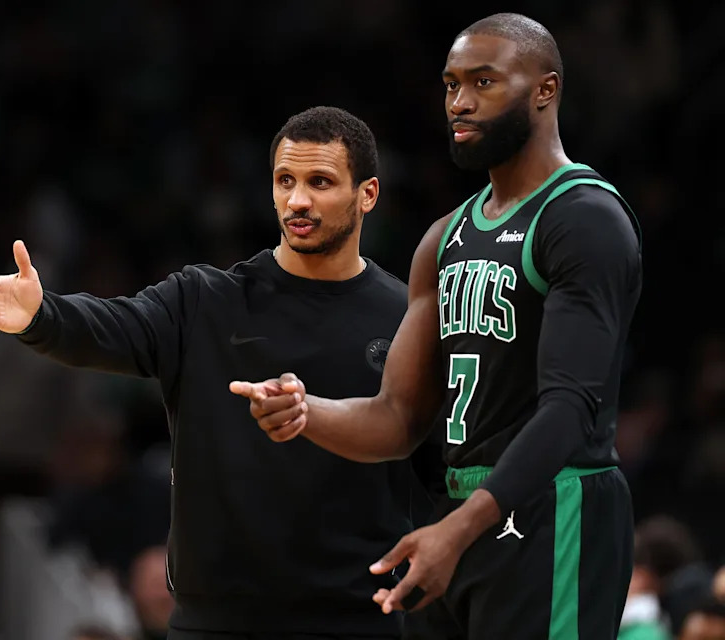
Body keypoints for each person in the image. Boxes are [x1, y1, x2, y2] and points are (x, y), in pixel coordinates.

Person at [232, 13, 643, 639]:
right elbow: (398, 417)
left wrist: (459, 527)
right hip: (459, 509)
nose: (460, 102)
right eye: (451, 84)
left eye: (484, 82)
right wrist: (305, 411)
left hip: (552, 507)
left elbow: (569, 410)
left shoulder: (583, 218)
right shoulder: (446, 237)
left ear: (545, 90)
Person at [0, 107, 446, 637]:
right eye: (285, 181)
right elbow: (112, 326)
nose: (297, 200)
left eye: (320, 182)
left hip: (361, 621)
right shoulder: (205, 300)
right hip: (216, 623)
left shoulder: (407, 316)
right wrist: (42, 315)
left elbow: (440, 474)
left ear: (368, 194)